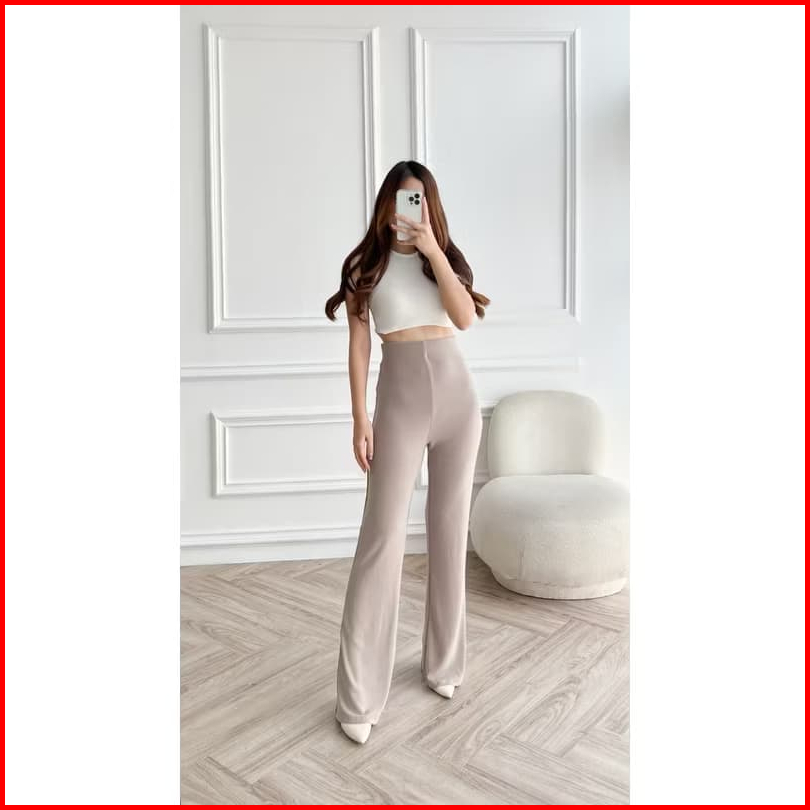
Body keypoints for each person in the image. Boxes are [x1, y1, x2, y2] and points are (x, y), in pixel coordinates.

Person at [324, 160, 491, 744]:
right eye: (401, 199)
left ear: (430, 205)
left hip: (458, 402)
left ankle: (444, 664)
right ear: (386, 205)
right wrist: (360, 417)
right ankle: (358, 698)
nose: (407, 211)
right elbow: (359, 347)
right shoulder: (365, 267)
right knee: (381, 538)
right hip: (398, 404)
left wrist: (433, 250)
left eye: (418, 200)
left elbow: (464, 318)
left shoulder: (444, 259)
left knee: (448, 534)